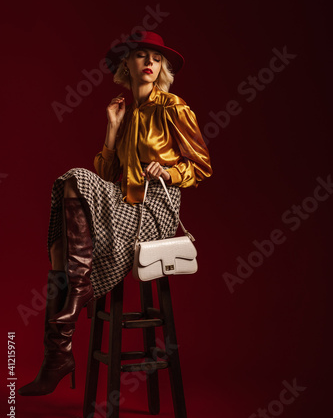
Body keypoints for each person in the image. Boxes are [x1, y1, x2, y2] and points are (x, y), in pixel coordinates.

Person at [18, 31, 213, 396]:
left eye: (156, 58)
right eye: (141, 56)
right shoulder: (126, 113)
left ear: (163, 68)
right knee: (69, 184)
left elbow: (202, 166)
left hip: (154, 210)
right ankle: (60, 345)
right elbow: (106, 179)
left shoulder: (174, 108)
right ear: (128, 64)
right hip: (123, 206)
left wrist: (170, 171)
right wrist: (111, 129)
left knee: (74, 179)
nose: (150, 63)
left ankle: (60, 340)